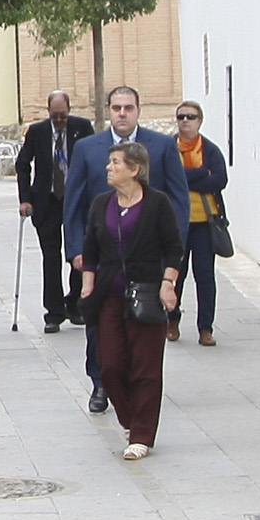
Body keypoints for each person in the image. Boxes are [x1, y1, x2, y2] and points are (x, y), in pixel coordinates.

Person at [62, 87, 192, 416]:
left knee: (142, 327)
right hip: (102, 262)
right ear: (108, 110)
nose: (122, 113)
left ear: (138, 110)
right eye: (116, 108)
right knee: (100, 326)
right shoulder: (88, 149)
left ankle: (140, 387)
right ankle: (101, 382)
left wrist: (172, 258)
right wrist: (76, 248)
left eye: (128, 108)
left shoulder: (161, 147)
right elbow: (74, 201)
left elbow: (178, 202)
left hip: (147, 263)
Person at [77, 141, 187, 458]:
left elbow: (173, 247)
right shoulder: (102, 203)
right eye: (109, 162)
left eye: (115, 163)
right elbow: (91, 248)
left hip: (148, 293)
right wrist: (88, 283)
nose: (109, 168)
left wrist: (168, 283)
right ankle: (130, 419)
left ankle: (141, 435)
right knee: (110, 365)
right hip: (110, 295)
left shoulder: (157, 203)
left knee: (145, 368)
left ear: (134, 170)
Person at [17, 91, 94, 332]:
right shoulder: (37, 131)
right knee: (51, 257)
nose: (59, 120)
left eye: (63, 115)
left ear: (69, 110)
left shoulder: (82, 127)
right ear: (48, 111)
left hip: (76, 201)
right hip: (47, 201)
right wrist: (25, 199)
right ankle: (54, 312)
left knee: (78, 255)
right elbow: (22, 165)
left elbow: (94, 159)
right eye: (55, 115)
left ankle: (75, 303)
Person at [174, 101, 229, 347]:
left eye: (191, 117)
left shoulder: (210, 149)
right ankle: (171, 321)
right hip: (176, 224)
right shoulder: (169, 147)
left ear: (200, 120)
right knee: (176, 275)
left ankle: (205, 328)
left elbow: (219, 180)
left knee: (205, 276)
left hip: (205, 222)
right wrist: (200, 174)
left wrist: (186, 180)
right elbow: (168, 179)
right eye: (181, 116)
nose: (185, 121)